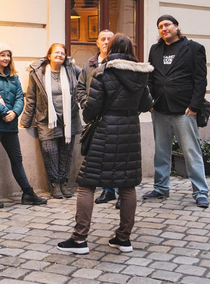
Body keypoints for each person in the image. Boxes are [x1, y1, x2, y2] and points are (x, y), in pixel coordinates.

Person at [57, 33, 153, 255]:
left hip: (105, 132)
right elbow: (147, 104)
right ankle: (123, 239)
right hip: (130, 130)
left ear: (111, 50)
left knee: (87, 183)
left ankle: (79, 239)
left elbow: (91, 110)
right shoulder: (141, 74)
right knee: (128, 184)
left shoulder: (103, 71)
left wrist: (97, 114)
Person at [144, 15, 210, 208]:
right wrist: (150, 101)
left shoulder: (194, 48)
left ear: (176, 27)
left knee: (191, 152)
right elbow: (150, 78)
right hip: (160, 110)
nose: (164, 28)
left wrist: (195, 106)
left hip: (184, 110)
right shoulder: (155, 50)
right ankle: (161, 187)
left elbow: (200, 80)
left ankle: (200, 192)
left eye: (167, 25)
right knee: (161, 152)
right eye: (160, 26)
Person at [0, 42, 48, 208]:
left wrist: (15, 113)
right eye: (2, 55)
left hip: (10, 125)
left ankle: (28, 192)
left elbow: (20, 97)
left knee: (17, 159)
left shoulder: (14, 76)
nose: (6, 58)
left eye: (8, 55)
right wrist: (4, 111)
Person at [20, 43, 81, 199]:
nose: (60, 55)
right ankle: (55, 184)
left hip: (69, 119)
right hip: (47, 120)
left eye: (62, 53)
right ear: (49, 55)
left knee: (66, 154)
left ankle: (63, 183)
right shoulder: (38, 73)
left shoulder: (72, 70)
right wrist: (25, 120)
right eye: (56, 52)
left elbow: (88, 79)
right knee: (50, 153)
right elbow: (31, 98)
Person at [76, 29, 120, 208]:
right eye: (103, 39)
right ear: (97, 42)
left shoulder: (118, 63)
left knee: (116, 156)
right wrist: (85, 104)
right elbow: (80, 86)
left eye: (110, 39)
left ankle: (119, 191)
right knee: (101, 156)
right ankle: (108, 190)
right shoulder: (90, 63)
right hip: (95, 119)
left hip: (114, 118)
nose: (106, 42)